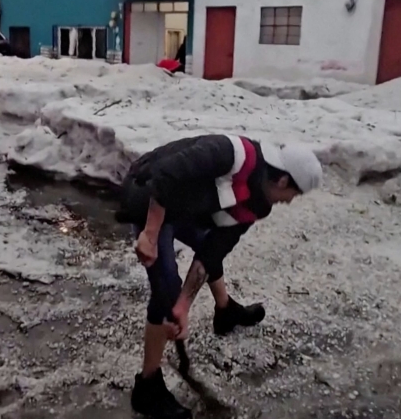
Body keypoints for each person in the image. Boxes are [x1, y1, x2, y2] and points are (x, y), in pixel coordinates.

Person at [116, 135, 323, 419]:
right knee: (167, 288)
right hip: (150, 191)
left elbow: (214, 249)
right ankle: (147, 388)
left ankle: (224, 310)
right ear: (283, 181)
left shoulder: (257, 205)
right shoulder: (230, 154)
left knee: (204, 248)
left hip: (184, 208)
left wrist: (184, 307)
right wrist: (150, 234)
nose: (290, 201)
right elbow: (166, 175)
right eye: (295, 194)